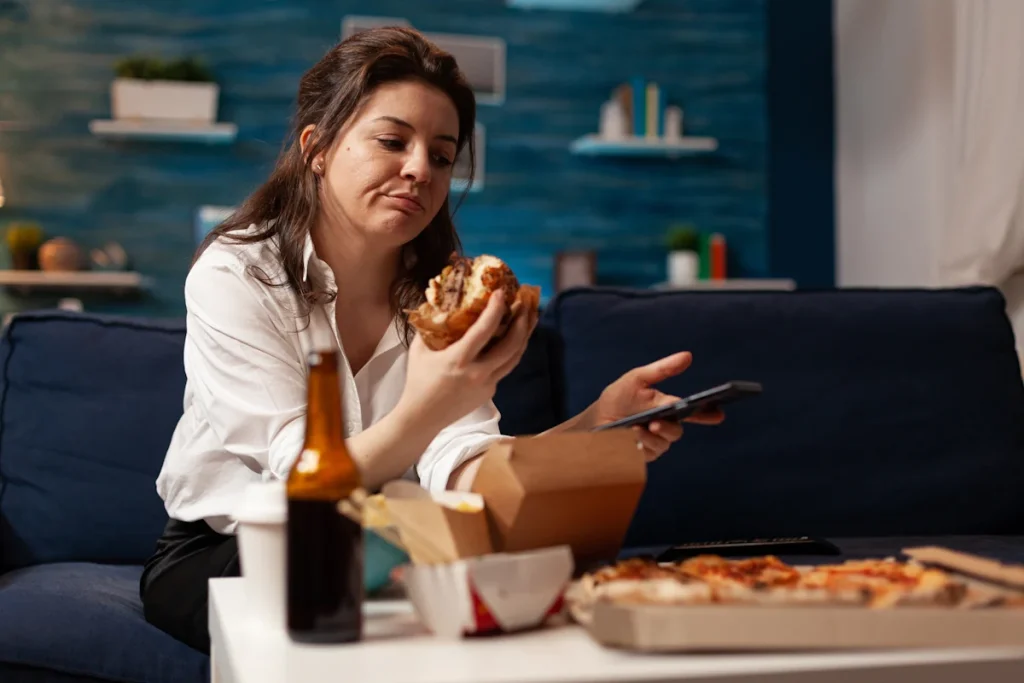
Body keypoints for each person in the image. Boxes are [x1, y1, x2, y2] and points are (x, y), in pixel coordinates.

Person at [139, 26, 722, 654]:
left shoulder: (442, 299)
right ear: (317, 148)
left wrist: (595, 427)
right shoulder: (238, 273)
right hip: (238, 549)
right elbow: (306, 479)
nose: (420, 168)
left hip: (380, 545)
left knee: (485, 576)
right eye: (393, 141)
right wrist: (431, 403)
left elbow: (462, 469)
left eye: (442, 156)